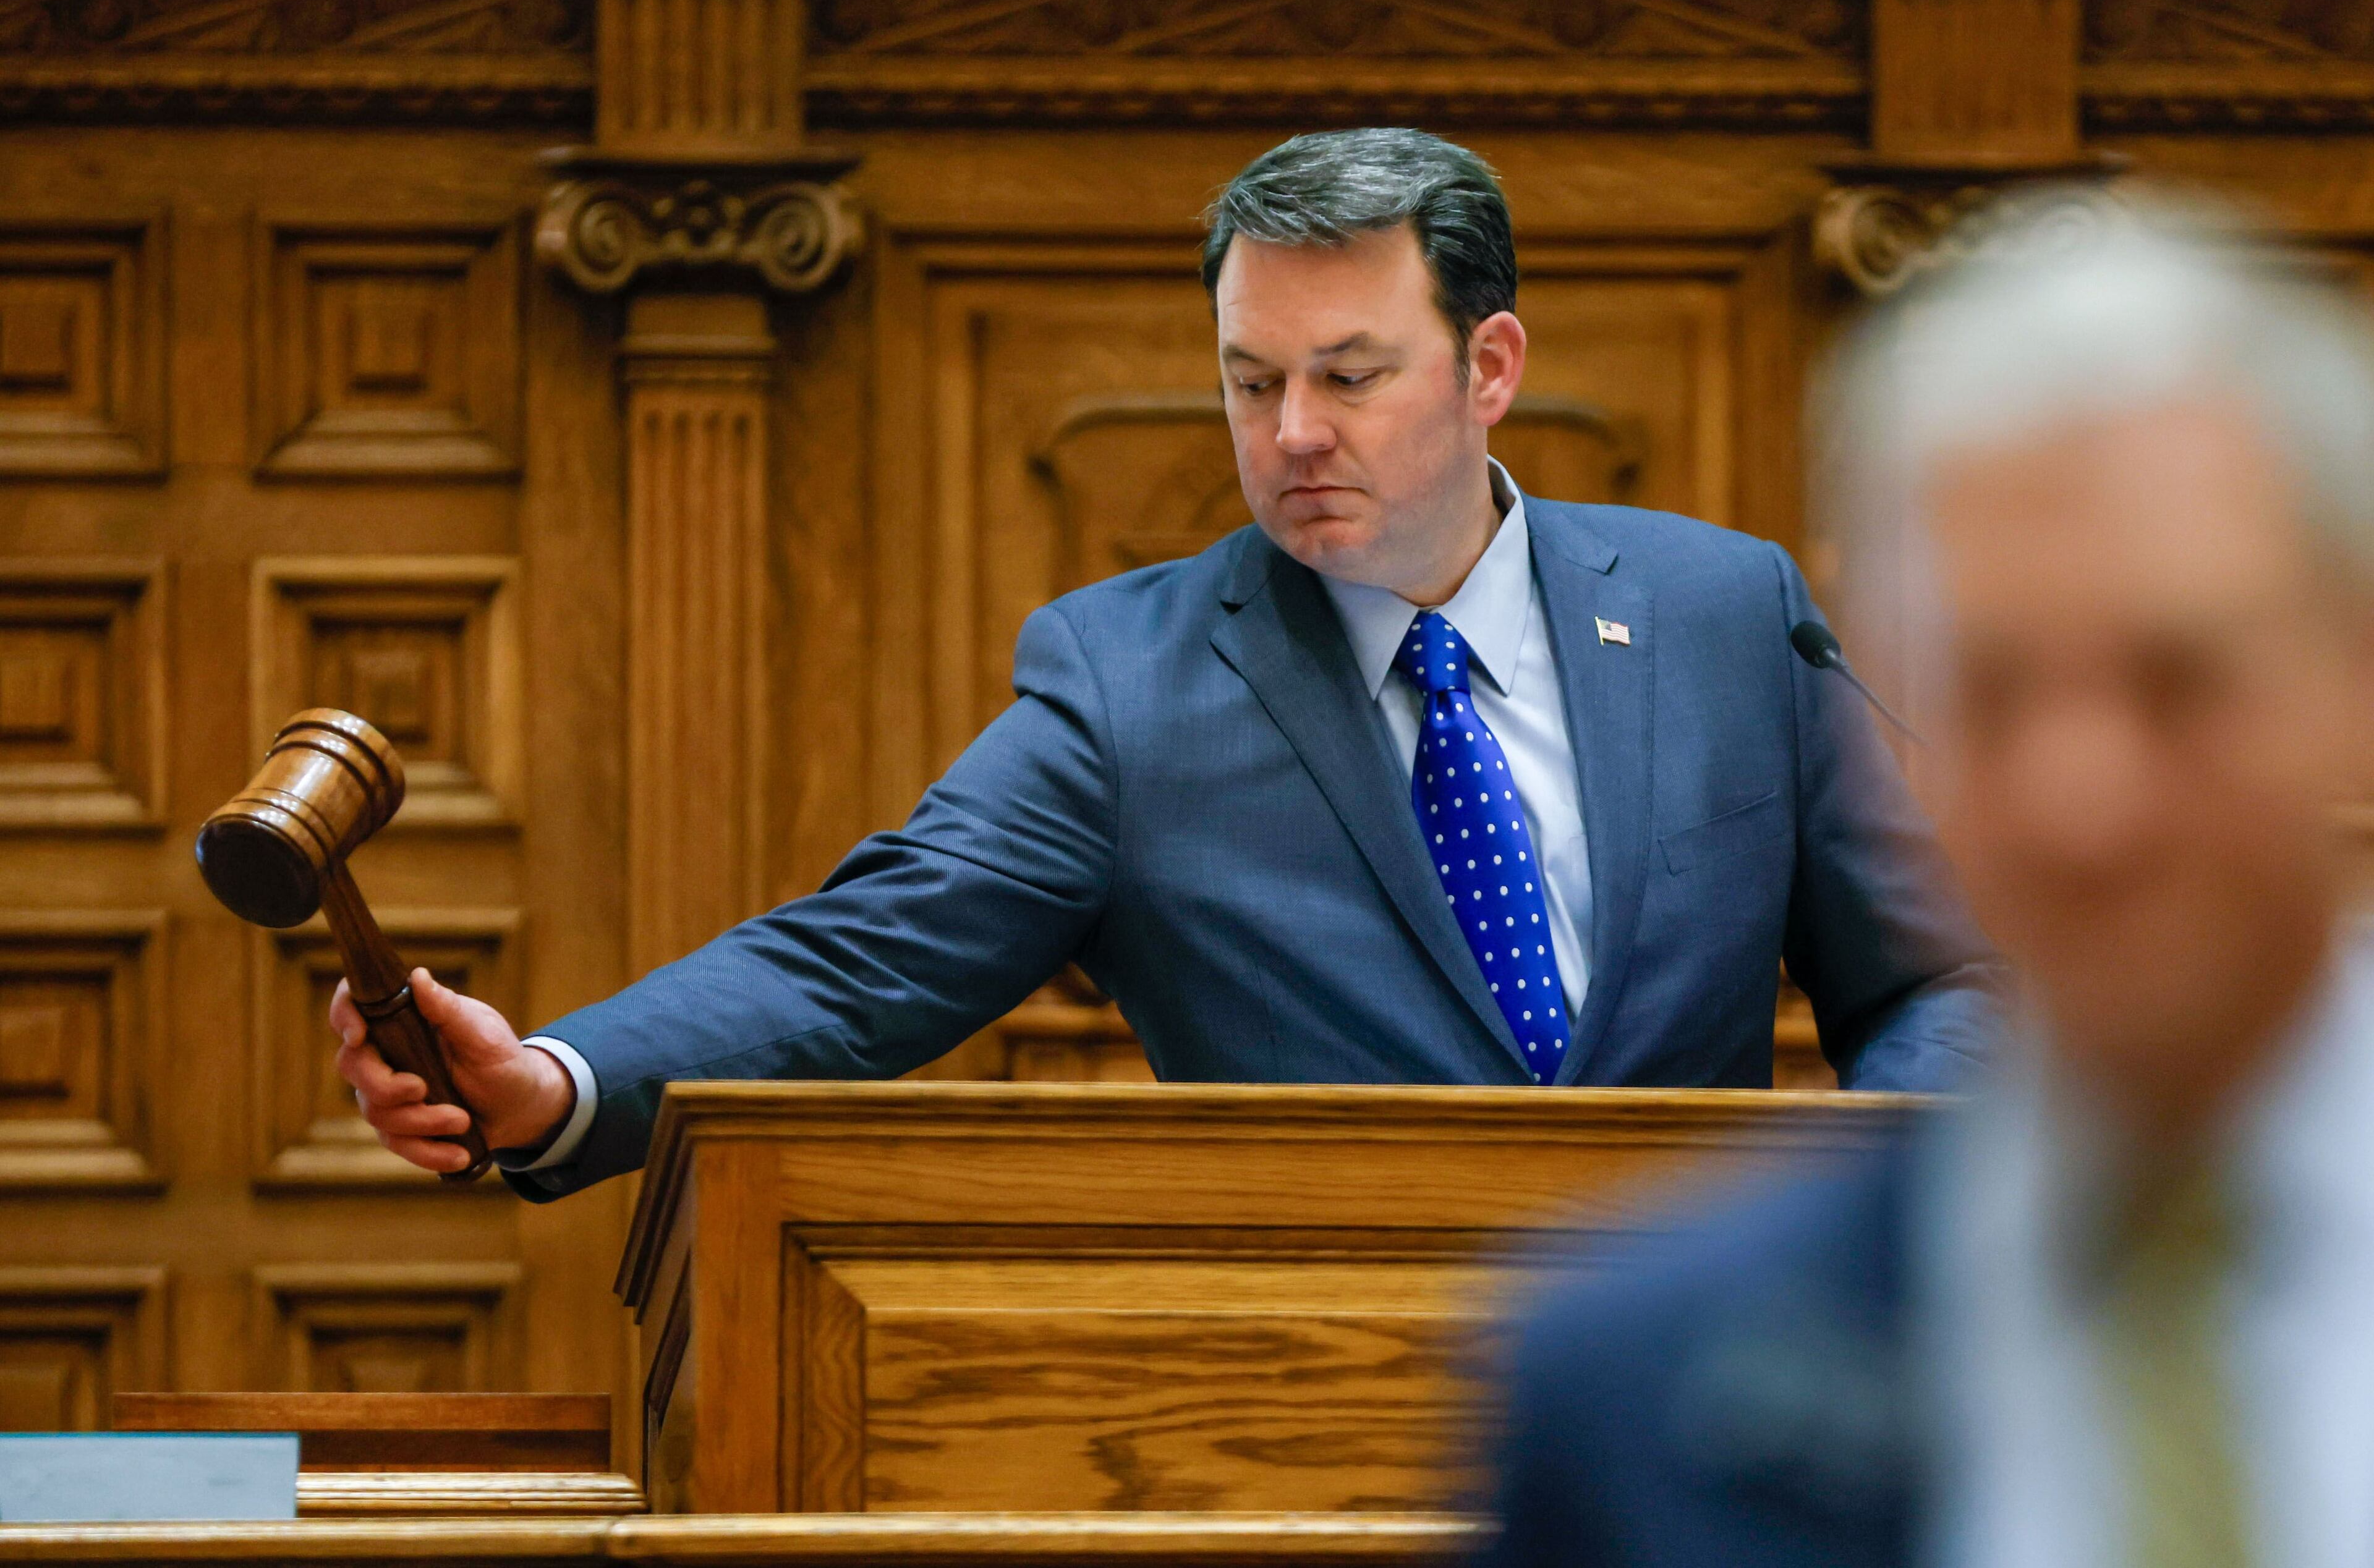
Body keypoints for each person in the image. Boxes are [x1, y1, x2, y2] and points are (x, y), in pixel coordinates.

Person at [333, 128, 1996, 1200]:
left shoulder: (1720, 614)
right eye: (1251, 380)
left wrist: (1903, 1203)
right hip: (1311, 1390)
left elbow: (1933, 973)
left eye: (1351, 374)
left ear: (1490, 366)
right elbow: (859, 962)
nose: (1292, 433)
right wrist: (557, 1081)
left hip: (1711, 1395)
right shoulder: (1128, 685)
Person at [1487, 204, 2374, 1567]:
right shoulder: (1634, 1395)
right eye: (1992, 689)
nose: (2084, 805)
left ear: (2353, 663)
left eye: (2180, 678)